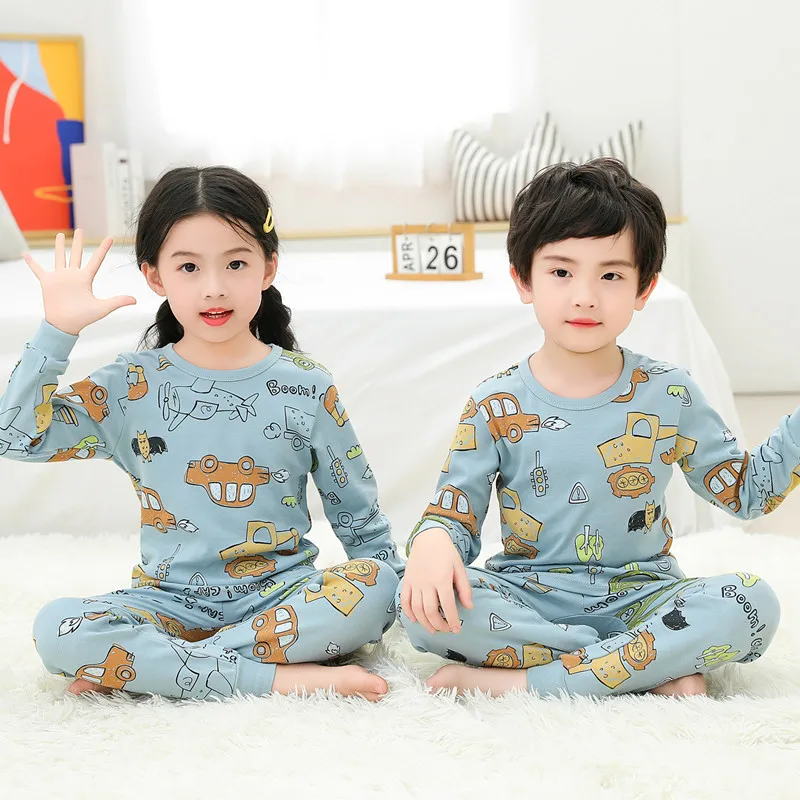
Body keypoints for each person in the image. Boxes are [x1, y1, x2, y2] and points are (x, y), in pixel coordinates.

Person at [1, 166, 400, 701]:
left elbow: (359, 517)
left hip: (283, 598)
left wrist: (395, 596)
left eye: (236, 263)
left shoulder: (307, 385)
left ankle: (163, 668)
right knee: (57, 629)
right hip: (167, 605)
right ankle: (277, 678)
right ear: (155, 277)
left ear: (268, 267)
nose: (214, 288)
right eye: (189, 266)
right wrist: (57, 332)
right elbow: (15, 436)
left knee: (376, 587)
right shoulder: (132, 385)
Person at [398, 158, 792, 698]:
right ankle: (644, 665)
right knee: (417, 607)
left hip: (646, 600)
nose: (585, 295)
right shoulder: (495, 402)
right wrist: (432, 542)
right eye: (561, 272)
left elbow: (746, 493)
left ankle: (530, 683)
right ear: (523, 279)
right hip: (526, 600)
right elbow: (454, 511)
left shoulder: (670, 392)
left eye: (611, 275)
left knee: (751, 603)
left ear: (644, 289)